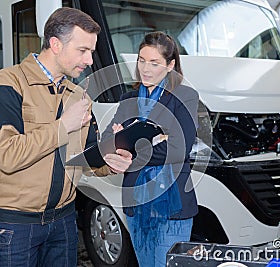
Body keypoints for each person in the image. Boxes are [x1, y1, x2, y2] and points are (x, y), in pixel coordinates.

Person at [0, 7, 132, 267]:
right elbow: (6, 155)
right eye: (83, 50)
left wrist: (110, 159)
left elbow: (84, 157)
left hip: (63, 224)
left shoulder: (79, 95)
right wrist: (63, 126)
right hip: (14, 226)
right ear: (56, 44)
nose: (90, 61)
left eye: (91, 52)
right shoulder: (4, 85)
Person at [104, 31, 199, 266]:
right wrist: (151, 141)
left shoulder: (184, 96)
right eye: (141, 60)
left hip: (172, 206)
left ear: (170, 65)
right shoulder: (129, 98)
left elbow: (179, 148)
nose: (145, 69)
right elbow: (108, 139)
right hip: (136, 205)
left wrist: (132, 153)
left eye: (154, 63)